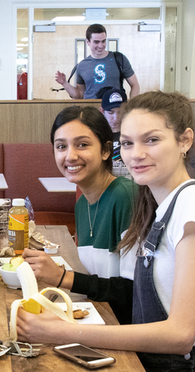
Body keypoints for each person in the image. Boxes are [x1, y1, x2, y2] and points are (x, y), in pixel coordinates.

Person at [15, 91, 195, 372]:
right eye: (128, 143)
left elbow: (181, 334)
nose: (136, 154)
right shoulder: (162, 201)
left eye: (152, 140)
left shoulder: (194, 205)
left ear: (184, 140)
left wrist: (65, 330)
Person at [22, 106, 136, 322]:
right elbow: (101, 281)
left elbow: (133, 291)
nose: (70, 156)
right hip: (103, 316)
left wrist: (62, 277)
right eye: (61, 146)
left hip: (127, 330)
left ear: (105, 151)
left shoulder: (125, 196)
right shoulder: (82, 204)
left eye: (82, 145)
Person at [54, 23, 141, 131]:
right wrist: (64, 83)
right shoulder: (82, 66)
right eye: (96, 42)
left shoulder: (119, 59)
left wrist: (131, 108)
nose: (101, 45)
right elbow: (79, 95)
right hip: (91, 114)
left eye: (103, 41)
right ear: (88, 42)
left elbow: (135, 85)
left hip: (114, 114)